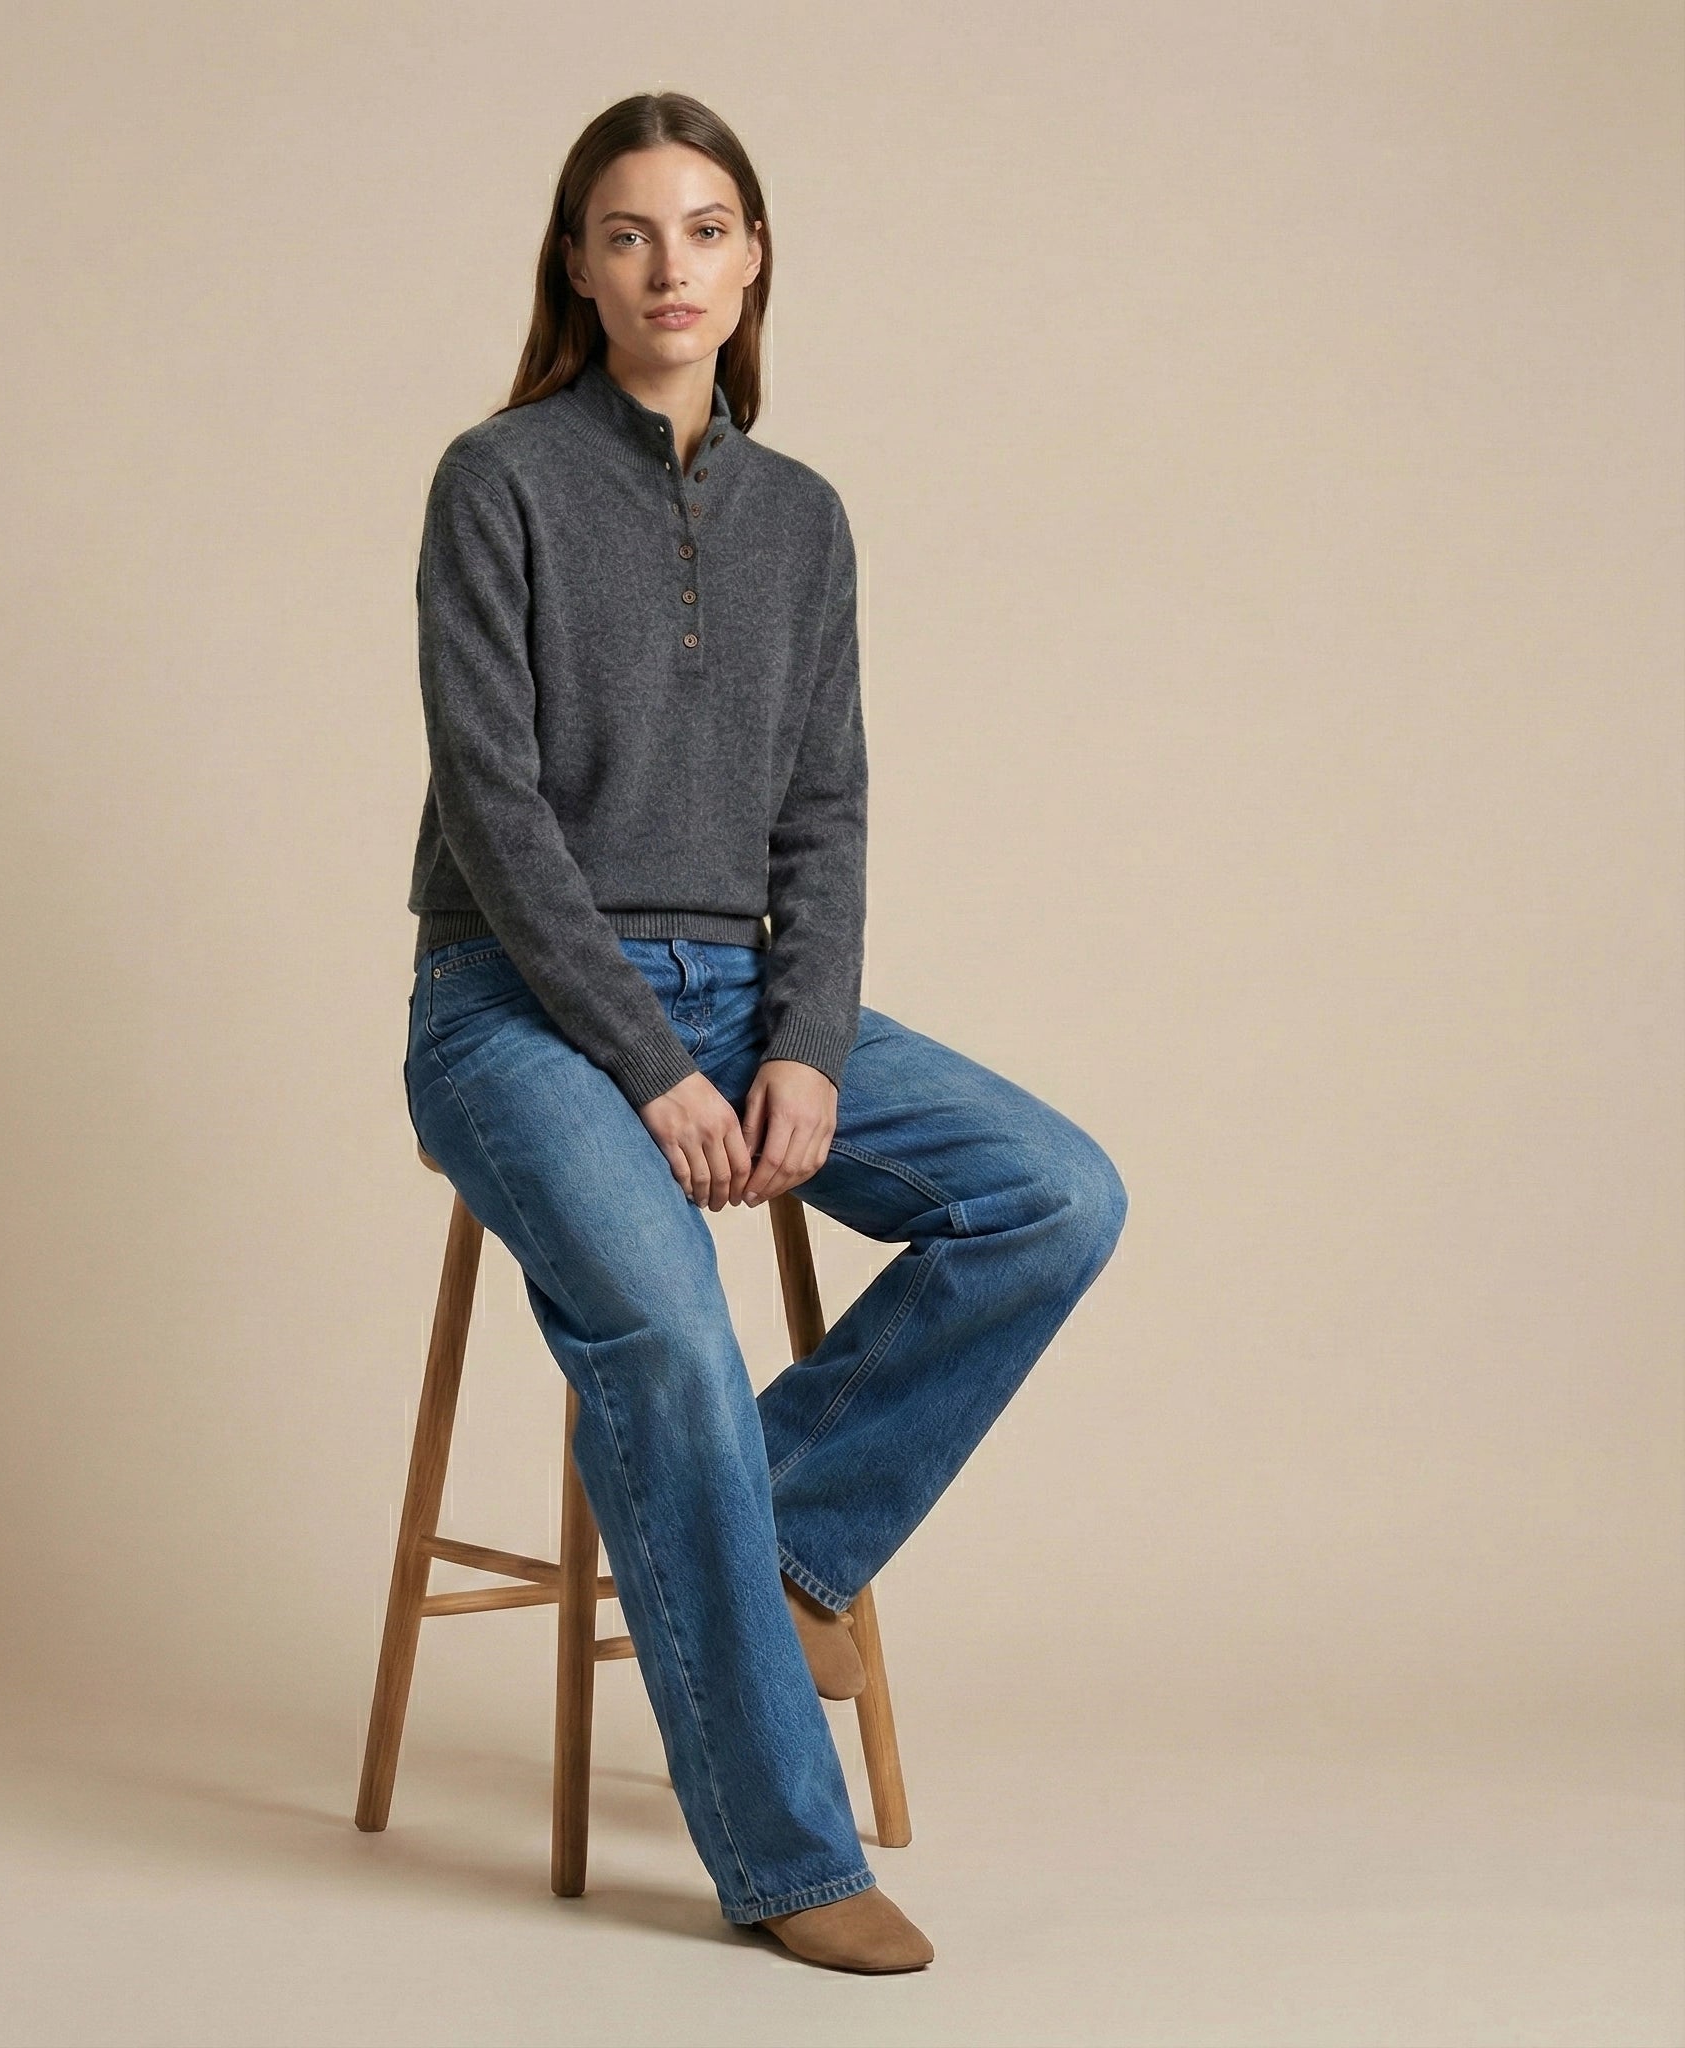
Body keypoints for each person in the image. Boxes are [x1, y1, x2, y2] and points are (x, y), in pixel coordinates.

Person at [401, 90, 1127, 1975]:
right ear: (576, 260)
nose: (671, 268)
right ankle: (783, 1851)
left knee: (1054, 1193)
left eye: (706, 229)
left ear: (753, 259)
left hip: (746, 996)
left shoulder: (805, 519)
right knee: (664, 1327)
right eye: (630, 233)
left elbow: (827, 813)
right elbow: (492, 805)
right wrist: (648, 1060)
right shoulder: (499, 479)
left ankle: (778, 1535)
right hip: (516, 1011)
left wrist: (801, 1041)